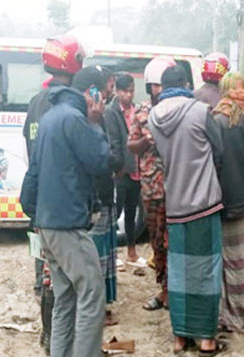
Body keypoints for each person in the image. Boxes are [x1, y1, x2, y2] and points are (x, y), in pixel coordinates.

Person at [19, 66, 114, 357]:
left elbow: (34, 171)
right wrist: (97, 122)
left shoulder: (49, 117)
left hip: (47, 222)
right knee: (91, 291)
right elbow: (101, 160)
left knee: (66, 296)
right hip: (67, 223)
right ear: (93, 93)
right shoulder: (76, 120)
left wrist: (35, 214)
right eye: (102, 93)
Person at [149, 65, 227, 357]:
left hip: (175, 205)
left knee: (179, 272)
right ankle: (206, 339)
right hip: (204, 204)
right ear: (185, 83)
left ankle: (180, 336)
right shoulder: (200, 111)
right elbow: (218, 149)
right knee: (206, 271)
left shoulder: (153, 117)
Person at [21, 35, 84, 354]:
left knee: (42, 269)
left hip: (38, 201)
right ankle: (57, 339)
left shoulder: (35, 103)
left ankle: (47, 334)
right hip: (61, 202)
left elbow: (29, 151)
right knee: (63, 276)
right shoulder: (69, 107)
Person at [212, 72, 244, 332]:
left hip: (222, 201)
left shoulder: (218, 119)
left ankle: (228, 316)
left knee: (225, 262)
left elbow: (215, 163)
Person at [129, 56, 177, 311]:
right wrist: (146, 143)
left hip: (179, 189)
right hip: (153, 187)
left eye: (161, 85)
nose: (158, 90)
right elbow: (131, 144)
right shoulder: (143, 111)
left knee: (176, 241)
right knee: (157, 241)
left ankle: (177, 289)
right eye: (154, 86)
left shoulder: (179, 109)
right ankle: (164, 288)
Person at [87, 67, 125, 327]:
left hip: (102, 194)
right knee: (98, 255)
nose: (110, 92)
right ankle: (98, 308)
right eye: (107, 87)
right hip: (97, 195)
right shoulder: (94, 118)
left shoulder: (101, 114)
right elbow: (104, 155)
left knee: (104, 253)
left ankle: (102, 305)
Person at [108, 74, 146, 268]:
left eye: (132, 91)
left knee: (133, 211)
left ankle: (132, 252)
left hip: (137, 169)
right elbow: (114, 141)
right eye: (126, 91)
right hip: (121, 171)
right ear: (118, 91)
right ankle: (113, 253)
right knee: (117, 212)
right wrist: (119, 167)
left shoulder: (137, 110)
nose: (129, 95)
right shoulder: (111, 111)